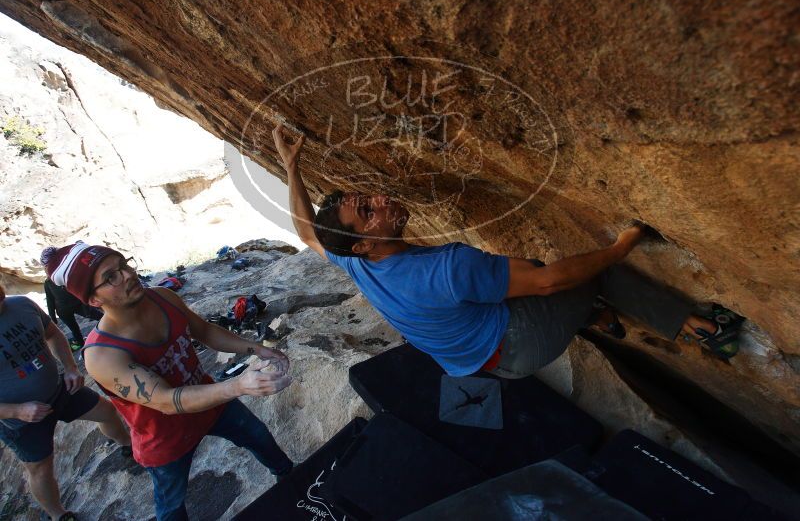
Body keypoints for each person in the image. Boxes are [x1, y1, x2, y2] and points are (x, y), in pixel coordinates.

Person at [272, 124, 729, 378]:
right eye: (368, 211)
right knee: (580, 272)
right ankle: (691, 323)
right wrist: (621, 245)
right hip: (519, 345)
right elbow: (551, 281)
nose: (381, 200)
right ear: (367, 242)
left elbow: (306, 231)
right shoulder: (446, 268)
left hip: (477, 361)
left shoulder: (356, 261)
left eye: (367, 196)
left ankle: (592, 317)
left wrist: (292, 166)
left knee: (521, 273)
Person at [43, 242, 294, 521]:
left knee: (258, 436)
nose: (127, 275)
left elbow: (204, 331)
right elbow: (166, 400)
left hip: (211, 403)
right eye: (111, 277)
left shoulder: (162, 297)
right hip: (164, 436)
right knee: (171, 504)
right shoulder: (102, 354)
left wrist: (255, 348)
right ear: (93, 299)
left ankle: (290, 478)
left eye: (123, 265)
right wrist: (237, 386)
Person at [0, 283, 131, 521]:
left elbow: (52, 334)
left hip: (59, 389)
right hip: (19, 419)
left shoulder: (21, 304)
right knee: (40, 468)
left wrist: (70, 367)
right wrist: (17, 410)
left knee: (106, 411)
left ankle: (128, 444)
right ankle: (57, 514)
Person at [42, 274, 103, 351]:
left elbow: (50, 300)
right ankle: (83, 347)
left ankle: (111, 328)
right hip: (65, 309)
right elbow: (50, 300)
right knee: (75, 329)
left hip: (73, 305)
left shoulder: (59, 277)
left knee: (96, 316)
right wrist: (53, 318)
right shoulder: (49, 282)